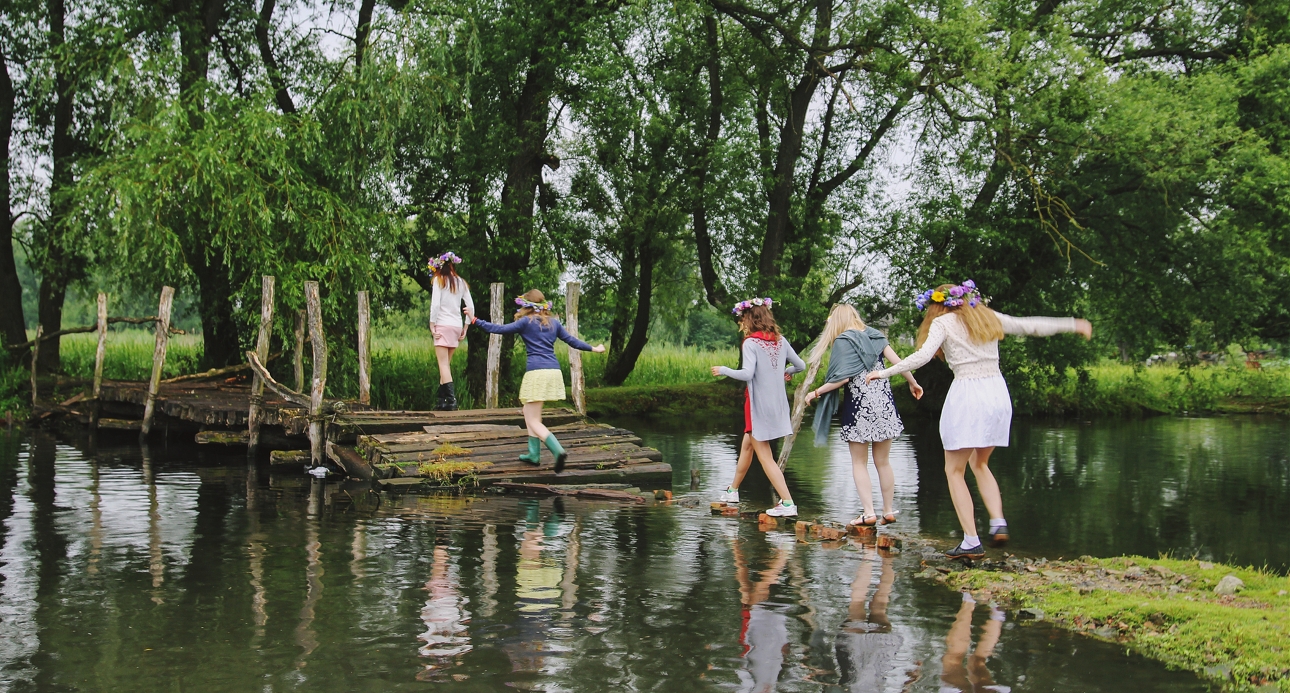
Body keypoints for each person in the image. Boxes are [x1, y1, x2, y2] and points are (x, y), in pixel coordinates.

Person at [866, 281, 1091, 558]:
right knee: (980, 463)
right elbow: (1029, 326)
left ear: (937, 304)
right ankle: (998, 523)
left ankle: (971, 541)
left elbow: (923, 356)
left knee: (954, 470)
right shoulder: (988, 317)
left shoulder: (942, 323)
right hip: (997, 394)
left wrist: (884, 373)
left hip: (968, 395)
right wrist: (1073, 324)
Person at [802, 304, 924, 527]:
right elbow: (899, 363)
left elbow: (842, 379)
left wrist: (815, 392)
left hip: (859, 407)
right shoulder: (876, 336)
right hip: (884, 404)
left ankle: (868, 513)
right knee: (884, 462)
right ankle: (887, 510)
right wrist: (913, 382)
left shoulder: (843, 341)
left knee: (859, 462)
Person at [465, 290, 605, 473]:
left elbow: (498, 329)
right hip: (553, 371)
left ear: (527, 306)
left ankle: (558, 451)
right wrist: (595, 348)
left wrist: (474, 320)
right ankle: (533, 455)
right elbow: (572, 341)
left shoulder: (526, 322)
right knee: (530, 412)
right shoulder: (554, 323)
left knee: (533, 420)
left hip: (536, 372)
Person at [711, 298, 806, 518]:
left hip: (756, 406)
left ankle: (788, 503)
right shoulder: (780, 340)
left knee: (765, 456)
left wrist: (724, 369)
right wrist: (788, 372)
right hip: (776, 405)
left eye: (742, 318)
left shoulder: (750, 343)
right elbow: (801, 365)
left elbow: (747, 374)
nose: (741, 322)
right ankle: (733, 491)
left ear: (750, 318)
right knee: (747, 446)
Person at [427, 252, 474, 411]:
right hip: (456, 325)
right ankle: (441, 401)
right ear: (452, 265)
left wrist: (432, 324)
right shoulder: (461, 282)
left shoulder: (438, 281)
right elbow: (470, 307)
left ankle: (451, 400)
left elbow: (435, 305)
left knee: (443, 365)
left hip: (442, 323)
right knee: (445, 365)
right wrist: (466, 326)